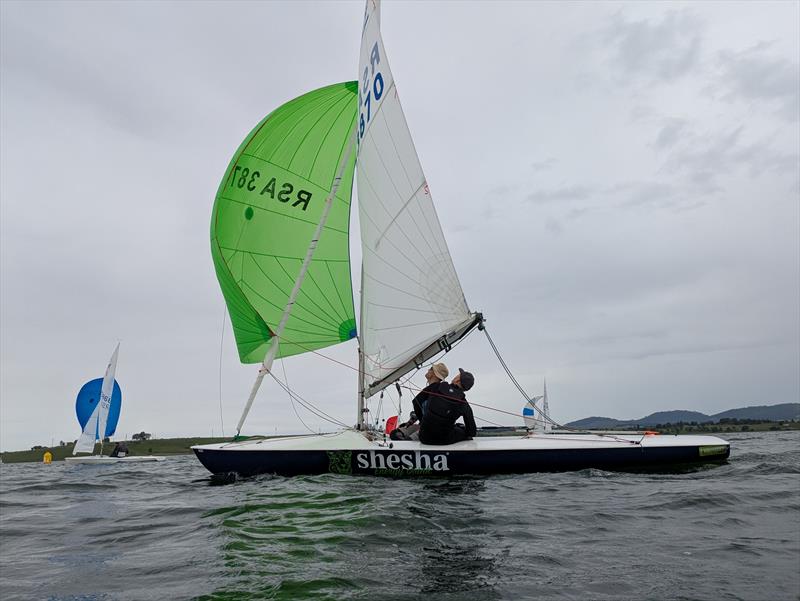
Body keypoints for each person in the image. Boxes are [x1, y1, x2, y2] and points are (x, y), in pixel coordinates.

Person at [390, 363, 448, 441]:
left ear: (434, 374)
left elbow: (416, 402)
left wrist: (422, 422)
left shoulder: (436, 388)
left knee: (402, 438)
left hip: (430, 429)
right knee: (396, 434)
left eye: (431, 369)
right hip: (424, 425)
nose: (428, 370)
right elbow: (423, 407)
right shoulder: (434, 389)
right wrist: (413, 420)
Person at [418, 368, 477, 445]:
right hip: (444, 441)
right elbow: (472, 431)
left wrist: (423, 422)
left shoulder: (436, 386)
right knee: (463, 430)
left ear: (457, 380)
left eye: (457, 375)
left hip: (424, 437)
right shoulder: (464, 403)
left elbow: (416, 402)